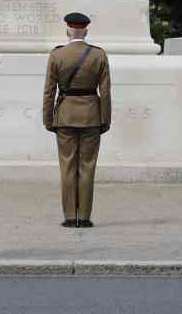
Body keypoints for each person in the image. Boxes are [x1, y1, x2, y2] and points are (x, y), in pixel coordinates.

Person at [42, 12, 111, 228]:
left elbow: (49, 92)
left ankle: (71, 216)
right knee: (88, 167)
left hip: (65, 116)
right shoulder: (98, 55)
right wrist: (105, 119)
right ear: (86, 31)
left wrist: (48, 119)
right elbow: (106, 91)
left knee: (68, 166)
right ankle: (86, 217)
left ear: (67, 30)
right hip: (91, 116)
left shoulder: (57, 55)